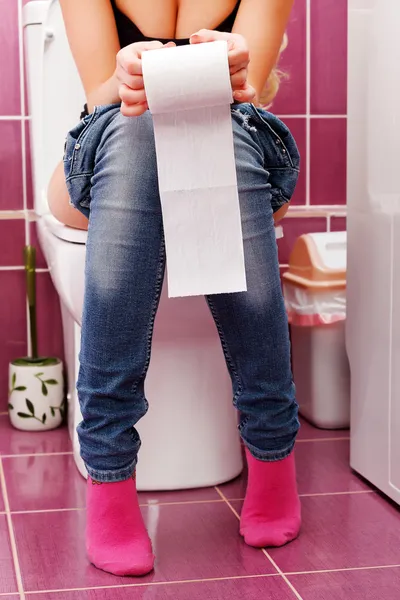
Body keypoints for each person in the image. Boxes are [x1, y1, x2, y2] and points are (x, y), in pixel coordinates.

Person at [55, 0, 301, 577]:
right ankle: (267, 452)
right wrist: (124, 78)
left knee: (219, 140)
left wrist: (238, 71)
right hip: (113, 141)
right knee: (139, 130)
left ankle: (116, 477)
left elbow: (249, 98)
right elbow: (100, 96)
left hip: (230, 141)